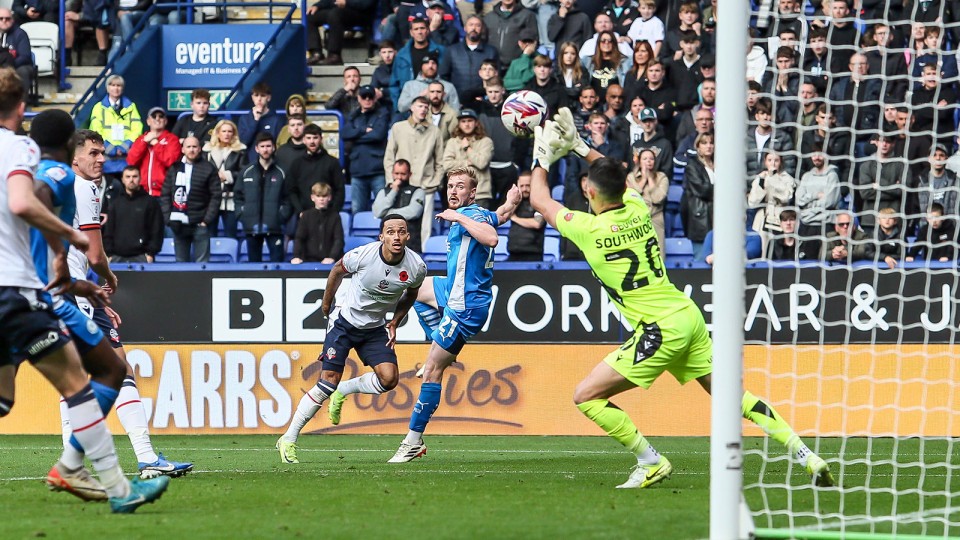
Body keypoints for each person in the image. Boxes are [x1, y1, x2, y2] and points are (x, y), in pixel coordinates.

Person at [525, 107, 834, 489]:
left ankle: (650, 460)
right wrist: (580, 146)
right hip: (686, 314)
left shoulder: (588, 228)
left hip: (659, 330)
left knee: (586, 395)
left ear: (588, 192)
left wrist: (543, 154)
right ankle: (806, 454)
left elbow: (539, 199)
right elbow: (611, 171)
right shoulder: (637, 205)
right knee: (732, 397)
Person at [0, 68, 169, 513]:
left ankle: (87, 472)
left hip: (37, 289)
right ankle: (106, 481)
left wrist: (73, 274)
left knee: (5, 399)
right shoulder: (39, 163)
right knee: (105, 373)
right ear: (20, 108)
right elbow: (27, 200)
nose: (99, 160)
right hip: (21, 294)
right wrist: (69, 239)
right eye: (92, 151)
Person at [57, 122, 195, 488]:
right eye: (94, 153)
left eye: (103, 153)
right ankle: (78, 463)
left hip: (73, 288)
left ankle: (144, 458)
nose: (102, 159)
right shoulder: (83, 187)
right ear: (75, 156)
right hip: (74, 289)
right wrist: (110, 280)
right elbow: (96, 251)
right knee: (91, 374)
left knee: (113, 368)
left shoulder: (54, 184)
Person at [388, 167, 521, 462]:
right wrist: (513, 201)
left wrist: (457, 217)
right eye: (450, 186)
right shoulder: (480, 212)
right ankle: (441, 343)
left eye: (460, 187)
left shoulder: (468, 217)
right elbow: (498, 216)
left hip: (466, 305)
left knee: (433, 370)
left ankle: (413, 442)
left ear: (472, 193)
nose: (453, 191)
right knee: (415, 288)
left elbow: (492, 238)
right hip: (451, 290)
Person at [277, 215, 427, 460]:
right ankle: (288, 439)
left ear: (408, 236)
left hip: (375, 328)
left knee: (389, 379)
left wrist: (395, 320)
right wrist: (326, 305)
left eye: (401, 232)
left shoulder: (416, 267)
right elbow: (337, 269)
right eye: (391, 232)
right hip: (344, 323)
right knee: (327, 382)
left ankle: (344, 390)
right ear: (382, 237)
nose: (396, 237)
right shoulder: (364, 255)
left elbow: (411, 294)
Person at [383, 96, 445, 249]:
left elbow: (440, 160)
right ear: (411, 107)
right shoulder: (398, 128)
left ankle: (422, 261)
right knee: (399, 223)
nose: (423, 109)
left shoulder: (435, 131)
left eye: (426, 107)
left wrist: (435, 181)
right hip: (402, 184)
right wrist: (391, 182)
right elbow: (389, 156)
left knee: (425, 227)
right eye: (420, 106)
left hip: (426, 184)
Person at [160, 137, 222, 262]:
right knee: (180, 265)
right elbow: (165, 194)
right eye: (188, 147)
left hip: (200, 223)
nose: (192, 150)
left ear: (199, 149)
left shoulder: (208, 168)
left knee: (202, 265)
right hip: (178, 224)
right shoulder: (175, 168)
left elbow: (215, 196)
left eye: (194, 147)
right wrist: (168, 218)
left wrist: (206, 220)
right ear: (183, 149)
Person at [235, 133, 290, 262]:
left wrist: (281, 216)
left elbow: (288, 198)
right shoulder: (246, 171)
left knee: (277, 267)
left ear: (274, 148)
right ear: (256, 148)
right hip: (251, 226)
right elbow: (237, 196)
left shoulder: (282, 171)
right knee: (254, 270)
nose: (265, 149)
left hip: (275, 227)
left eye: (268, 146)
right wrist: (242, 215)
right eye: (262, 146)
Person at [342, 85, 391, 214]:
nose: (367, 99)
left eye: (370, 97)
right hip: (357, 172)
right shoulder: (353, 115)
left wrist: (356, 136)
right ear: (359, 98)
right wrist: (363, 131)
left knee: (383, 210)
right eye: (364, 97)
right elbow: (345, 134)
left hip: (377, 171)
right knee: (357, 210)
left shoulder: (382, 113)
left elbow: (378, 135)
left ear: (375, 98)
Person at [103, 166, 164, 263]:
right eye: (128, 177)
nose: (131, 180)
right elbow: (109, 230)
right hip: (116, 257)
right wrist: (109, 254)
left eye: (134, 176)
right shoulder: (115, 203)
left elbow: (157, 230)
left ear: (140, 178)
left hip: (143, 257)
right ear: (122, 180)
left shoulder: (151, 202)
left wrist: (150, 253)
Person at [88, 75, 142, 177]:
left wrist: (125, 146)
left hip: (126, 158)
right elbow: (95, 130)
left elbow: (137, 129)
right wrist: (108, 147)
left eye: (118, 85)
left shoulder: (131, 107)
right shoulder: (98, 108)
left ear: (122, 88)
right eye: (112, 85)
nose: (116, 88)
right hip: (105, 157)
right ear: (107, 88)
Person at [202, 119, 247, 239]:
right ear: (218, 133)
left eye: (229, 131)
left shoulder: (240, 151)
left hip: (230, 198)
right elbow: (201, 171)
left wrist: (227, 175)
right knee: (210, 235)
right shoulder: (207, 151)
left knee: (230, 235)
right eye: (224, 131)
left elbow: (244, 173)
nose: (227, 134)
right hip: (211, 198)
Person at [390, 16, 445, 112]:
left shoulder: (440, 51)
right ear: (411, 33)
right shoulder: (401, 55)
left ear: (427, 30)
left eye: (422, 28)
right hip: (408, 106)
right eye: (416, 29)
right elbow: (394, 84)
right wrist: (397, 106)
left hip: (435, 105)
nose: (419, 32)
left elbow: (446, 77)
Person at [288, 123, 346, 216]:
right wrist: (300, 211)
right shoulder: (297, 163)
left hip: (328, 216)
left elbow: (339, 190)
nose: (312, 141)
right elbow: (291, 191)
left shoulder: (332, 162)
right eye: (309, 138)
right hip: (304, 216)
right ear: (304, 140)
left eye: (315, 138)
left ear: (321, 139)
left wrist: (333, 212)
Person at [442, 108, 494, 209]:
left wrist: (467, 148)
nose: (467, 124)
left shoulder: (486, 141)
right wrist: (466, 163)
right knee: (457, 225)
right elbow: (447, 165)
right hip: (457, 195)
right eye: (463, 121)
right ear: (459, 124)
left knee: (479, 225)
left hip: (480, 193)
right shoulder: (452, 142)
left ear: (476, 123)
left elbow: (482, 163)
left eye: (470, 121)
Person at [127, 107, 180, 198]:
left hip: (164, 193)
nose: (157, 119)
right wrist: (144, 142)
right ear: (148, 121)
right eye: (154, 116)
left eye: (161, 116)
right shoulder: (141, 139)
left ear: (166, 121)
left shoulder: (172, 139)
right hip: (142, 192)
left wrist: (156, 144)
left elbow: (171, 162)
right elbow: (131, 162)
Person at [748, 151, 795, 253]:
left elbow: (786, 197)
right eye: (769, 160)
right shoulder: (761, 177)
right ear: (765, 162)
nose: (773, 163)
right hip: (763, 218)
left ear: (781, 162)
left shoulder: (787, 179)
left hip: (782, 217)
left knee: (778, 250)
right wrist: (761, 182)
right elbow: (752, 202)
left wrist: (773, 178)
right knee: (763, 250)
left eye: (776, 160)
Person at [374, 159, 426, 251]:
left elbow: (413, 212)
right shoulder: (384, 191)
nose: (399, 177)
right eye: (397, 174)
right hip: (386, 245)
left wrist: (388, 213)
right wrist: (394, 191)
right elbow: (377, 212)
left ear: (410, 174)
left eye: (403, 174)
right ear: (392, 173)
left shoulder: (418, 191)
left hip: (410, 243)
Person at [304, 0, 376, 65]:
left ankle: (334, 55)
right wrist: (317, 6)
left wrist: (347, 3)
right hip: (340, 11)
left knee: (335, 14)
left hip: (361, 14)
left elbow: (366, 4)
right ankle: (316, 54)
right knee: (310, 16)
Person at [680, 132, 714, 260]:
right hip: (701, 221)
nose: (709, 146)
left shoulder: (721, 165)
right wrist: (723, 191)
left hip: (719, 219)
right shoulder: (692, 166)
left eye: (711, 142)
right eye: (704, 143)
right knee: (702, 260)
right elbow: (703, 190)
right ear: (698, 147)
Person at [291, 183, 344, 264]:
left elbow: (339, 240)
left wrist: (332, 257)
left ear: (329, 197)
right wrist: (296, 256)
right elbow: (299, 238)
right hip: (308, 261)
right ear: (312, 197)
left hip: (331, 262)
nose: (321, 199)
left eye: (324, 196)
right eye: (318, 196)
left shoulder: (335, 216)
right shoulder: (306, 216)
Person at [795, 146, 840, 238]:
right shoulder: (806, 176)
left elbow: (828, 203)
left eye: (820, 155)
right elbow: (799, 199)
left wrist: (807, 206)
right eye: (814, 155)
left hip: (825, 225)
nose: (816, 158)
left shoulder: (832, 176)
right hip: (806, 224)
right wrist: (815, 195)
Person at [626, 147, 668, 247]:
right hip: (636, 220)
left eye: (651, 159)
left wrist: (650, 179)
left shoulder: (662, 177)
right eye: (644, 159)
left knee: (658, 254)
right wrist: (644, 179)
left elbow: (658, 198)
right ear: (639, 162)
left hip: (655, 219)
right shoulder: (631, 177)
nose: (648, 161)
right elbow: (631, 197)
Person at [483, 0, 537, 69]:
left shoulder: (527, 16)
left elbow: (532, 42)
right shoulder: (489, 17)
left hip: (517, 66)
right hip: (493, 66)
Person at [506, 170, 545, 261]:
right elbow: (506, 215)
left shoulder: (540, 201)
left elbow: (537, 223)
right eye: (522, 186)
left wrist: (515, 219)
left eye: (528, 186)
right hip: (513, 251)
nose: (524, 189)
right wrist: (517, 197)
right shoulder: (515, 201)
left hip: (533, 253)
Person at [238, 82, 282, 163]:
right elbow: (243, 142)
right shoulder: (244, 119)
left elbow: (277, 144)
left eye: (263, 95)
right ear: (252, 97)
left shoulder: (276, 120)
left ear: (268, 98)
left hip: (271, 163)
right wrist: (255, 121)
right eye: (256, 95)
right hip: (250, 163)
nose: (259, 99)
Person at [0, 9, 34, 98]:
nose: (4, 21)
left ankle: (20, 104)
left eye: (7, 19)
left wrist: (8, 67)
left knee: (23, 71)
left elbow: (25, 56)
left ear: (12, 20)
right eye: (1, 18)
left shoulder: (20, 34)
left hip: (17, 66)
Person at [632, 107, 672, 175]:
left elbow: (667, 170)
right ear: (640, 123)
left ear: (656, 121)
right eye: (644, 121)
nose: (647, 124)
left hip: (658, 182)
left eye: (650, 120)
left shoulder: (665, 144)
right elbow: (631, 168)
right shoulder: (635, 145)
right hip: (637, 183)